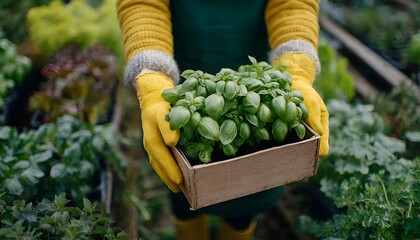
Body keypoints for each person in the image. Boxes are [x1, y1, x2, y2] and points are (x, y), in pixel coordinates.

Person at [116, 0, 329, 239]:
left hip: (252, 82)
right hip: (180, 71)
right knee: (181, 183)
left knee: (248, 191)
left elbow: (293, 3)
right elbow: (143, 3)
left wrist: (296, 67)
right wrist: (152, 75)